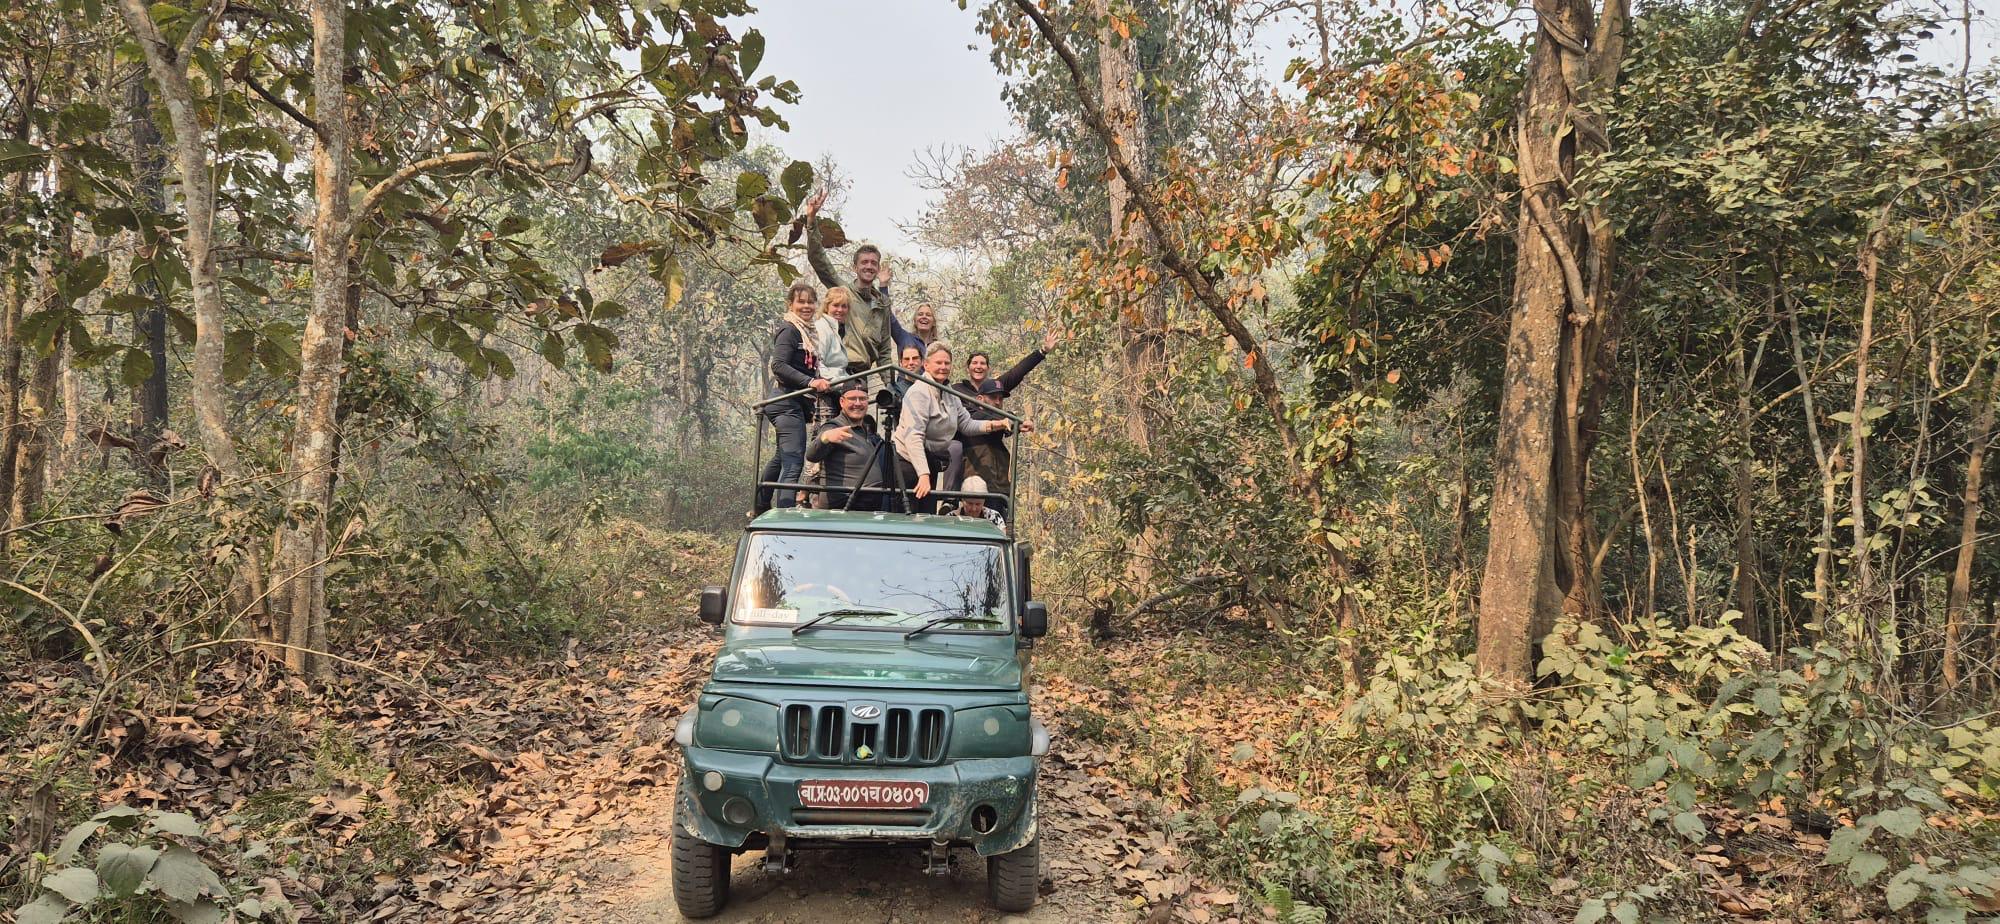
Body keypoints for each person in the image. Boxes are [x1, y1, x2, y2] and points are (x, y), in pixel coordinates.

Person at [893, 341, 1015, 512]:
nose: (943, 367)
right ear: (926, 365)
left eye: (947, 363)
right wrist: (923, 474)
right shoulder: (918, 392)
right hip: (907, 464)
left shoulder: (950, 393)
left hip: (929, 462)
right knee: (907, 517)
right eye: (938, 362)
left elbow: (966, 424)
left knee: (926, 516)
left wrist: (997, 424)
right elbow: (913, 437)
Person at [802, 191, 896, 383]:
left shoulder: (882, 303)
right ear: (855, 267)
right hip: (837, 370)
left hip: (862, 376)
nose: (869, 266)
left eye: (873, 263)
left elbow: (885, 349)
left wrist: (891, 385)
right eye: (864, 262)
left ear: (878, 269)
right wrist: (811, 220)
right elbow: (819, 261)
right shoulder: (844, 291)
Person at [756, 282, 829, 513]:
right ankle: (785, 512)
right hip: (786, 401)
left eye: (810, 302)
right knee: (794, 461)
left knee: (781, 456)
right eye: (801, 302)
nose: (806, 306)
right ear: (791, 304)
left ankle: (759, 504)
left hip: (794, 403)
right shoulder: (790, 330)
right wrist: (810, 382)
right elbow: (778, 365)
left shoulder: (807, 332)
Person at [806, 380, 890, 511]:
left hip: (867, 505)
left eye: (862, 398)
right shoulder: (834, 427)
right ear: (841, 402)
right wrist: (825, 438)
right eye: (852, 398)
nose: (857, 403)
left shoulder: (864, 429)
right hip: (844, 507)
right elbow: (811, 455)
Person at [813, 286, 855, 420]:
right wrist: (841, 384)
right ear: (826, 306)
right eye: (836, 305)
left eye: (844, 306)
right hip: (828, 392)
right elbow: (818, 363)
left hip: (838, 389)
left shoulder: (837, 328)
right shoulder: (822, 327)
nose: (840, 310)